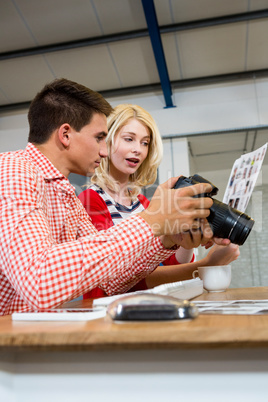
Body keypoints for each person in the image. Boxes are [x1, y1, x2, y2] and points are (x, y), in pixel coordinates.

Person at [0, 78, 223, 316]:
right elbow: (39, 282)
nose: (105, 151)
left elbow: (111, 282)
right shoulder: (13, 170)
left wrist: (166, 240)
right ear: (65, 134)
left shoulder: (66, 197)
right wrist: (150, 222)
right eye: (99, 138)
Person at [79, 104, 239, 297]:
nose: (138, 149)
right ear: (108, 142)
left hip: (148, 307)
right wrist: (205, 266)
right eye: (129, 139)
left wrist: (186, 239)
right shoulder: (90, 200)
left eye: (145, 143)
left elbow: (171, 265)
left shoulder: (144, 204)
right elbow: (115, 280)